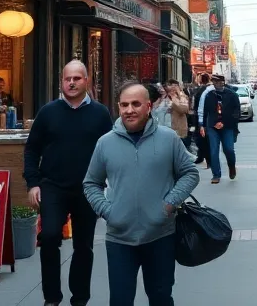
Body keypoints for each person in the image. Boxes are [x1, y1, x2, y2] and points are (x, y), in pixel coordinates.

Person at [83, 81, 200, 306]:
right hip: (119, 238)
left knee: (160, 297)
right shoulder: (105, 143)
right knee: (120, 300)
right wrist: (108, 211)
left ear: (148, 106)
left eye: (136, 104)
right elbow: (91, 183)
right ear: (118, 107)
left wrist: (169, 204)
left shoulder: (168, 139)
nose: (130, 110)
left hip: (160, 236)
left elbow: (189, 174)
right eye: (124, 105)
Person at [23, 61, 113, 306]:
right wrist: (33, 183)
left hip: (88, 188)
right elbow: (32, 150)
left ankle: (80, 298)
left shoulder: (101, 113)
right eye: (67, 79)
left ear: (87, 81)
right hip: (52, 185)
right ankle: (52, 298)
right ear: (61, 81)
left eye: (77, 78)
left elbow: (112, 150)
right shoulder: (48, 112)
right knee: (50, 236)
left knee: (84, 246)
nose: (71, 83)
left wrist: (110, 186)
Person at [202, 73, 240, 184]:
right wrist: (202, 125)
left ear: (223, 82)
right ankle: (216, 174)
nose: (217, 84)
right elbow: (204, 112)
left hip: (227, 126)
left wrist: (224, 122)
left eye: (219, 82)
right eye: (215, 82)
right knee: (214, 151)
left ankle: (231, 166)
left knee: (229, 149)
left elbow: (237, 112)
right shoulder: (208, 95)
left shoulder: (231, 95)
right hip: (212, 126)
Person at [191, 73, 212, 167]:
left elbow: (196, 105)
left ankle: (208, 159)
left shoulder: (202, 90)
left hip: (202, 117)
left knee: (202, 139)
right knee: (203, 139)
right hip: (205, 117)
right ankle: (202, 157)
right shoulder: (208, 89)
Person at [164, 80, 192, 150]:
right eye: (171, 87)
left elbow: (184, 109)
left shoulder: (182, 97)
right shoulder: (163, 97)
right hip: (164, 129)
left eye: (175, 87)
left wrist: (175, 98)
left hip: (178, 130)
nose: (173, 90)